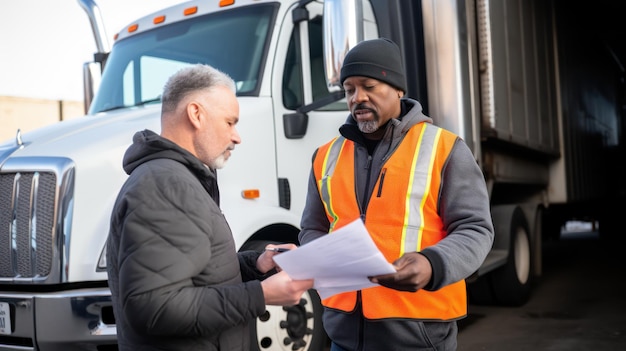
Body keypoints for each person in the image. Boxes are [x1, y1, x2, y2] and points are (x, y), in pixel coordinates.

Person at [298, 38, 495, 350]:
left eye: (368, 86)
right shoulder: (325, 156)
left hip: (420, 336)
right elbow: (312, 227)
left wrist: (432, 264)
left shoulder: (445, 149)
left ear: (399, 90)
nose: (357, 98)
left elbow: (475, 229)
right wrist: (316, 257)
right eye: (349, 89)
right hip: (343, 335)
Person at [106, 63, 313, 351]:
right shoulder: (166, 186)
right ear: (196, 114)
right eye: (230, 122)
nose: (237, 136)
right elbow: (154, 308)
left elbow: (198, 273)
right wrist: (260, 294)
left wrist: (256, 265)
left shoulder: (177, 179)